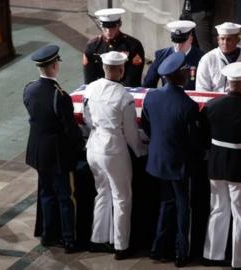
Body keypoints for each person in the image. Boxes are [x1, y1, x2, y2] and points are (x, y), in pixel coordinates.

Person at [200, 62, 241, 270]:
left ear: (227, 84)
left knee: (218, 210)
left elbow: (203, 137)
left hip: (217, 165)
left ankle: (212, 255)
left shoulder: (211, 106)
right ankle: (239, 261)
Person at [84, 51, 146, 259]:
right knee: (122, 197)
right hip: (113, 150)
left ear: (103, 68)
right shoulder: (123, 96)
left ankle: (98, 238)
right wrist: (140, 151)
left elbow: (87, 119)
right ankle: (121, 245)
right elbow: (130, 132)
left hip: (93, 147)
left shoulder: (91, 88)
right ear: (121, 70)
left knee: (102, 192)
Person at [141, 52, 201, 267]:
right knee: (184, 208)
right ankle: (181, 252)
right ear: (180, 75)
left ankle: (158, 248)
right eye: (185, 71)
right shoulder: (188, 106)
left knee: (167, 203)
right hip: (180, 165)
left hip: (158, 161)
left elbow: (147, 125)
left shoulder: (152, 96)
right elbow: (195, 140)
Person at [23, 44, 84, 253]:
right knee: (66, 196)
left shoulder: (29, 88)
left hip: (38, 152)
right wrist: (80, 147)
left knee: (46, 193)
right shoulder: (60, 95)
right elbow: (70, 129)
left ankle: (49, 235)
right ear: (54, 66)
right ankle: (69, 238)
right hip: (58, 154)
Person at [83, 8, 144, 86]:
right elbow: (89, 78)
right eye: (105, 27)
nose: (108, 31)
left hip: (124, 90)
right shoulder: (93, 46)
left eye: (112, 27)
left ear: (119, 25)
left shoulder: (133, 45)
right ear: (101, 26)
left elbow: (133, 79)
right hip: (99, 89)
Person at [143, 20, 204, 90]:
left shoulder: (201, 58)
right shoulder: (162, 55)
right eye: (175, 42)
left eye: (182, 43)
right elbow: (148, 84)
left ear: (190, 39)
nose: (178, 46)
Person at [196, 22, 241, 92]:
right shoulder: (208, 59)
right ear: (218, 40)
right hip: (215, 101)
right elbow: (202, 88)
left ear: (237, 40)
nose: (225, 43)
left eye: (229, 39)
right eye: (222, 39)